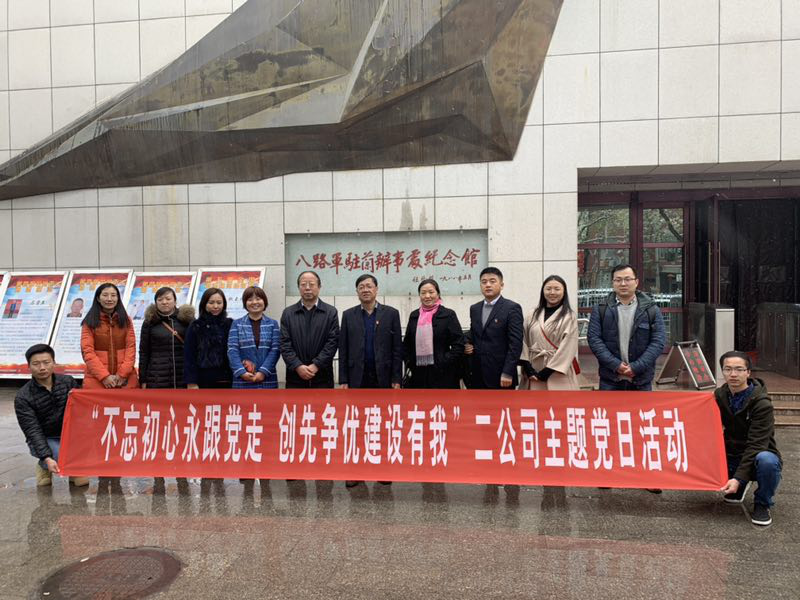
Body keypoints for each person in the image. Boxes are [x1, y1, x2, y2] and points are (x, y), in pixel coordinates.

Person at [716, 351, 782, 527]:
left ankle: (762, 503)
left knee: (767, 461)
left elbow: (756, 445)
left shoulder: (762, 404)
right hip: (731, 453)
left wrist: (738, 477)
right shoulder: (719, 396)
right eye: (727, 369)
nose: (733, 374)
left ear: (748, 372)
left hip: (757, 453)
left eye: (739, 369)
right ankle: (740, 485)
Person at [14, 344, 88, 487]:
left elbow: (84, 408)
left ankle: (73, 468)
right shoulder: (23, 397)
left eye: (46, 362)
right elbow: (32, 431)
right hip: (46, 437)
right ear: (29, 366)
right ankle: (44, 466)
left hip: (70, 435)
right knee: (58, 454)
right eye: (36, 364)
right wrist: (46, 457)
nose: (42, 368)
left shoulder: (68, 382)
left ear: (54, 363)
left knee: (82, 481)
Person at [587, 264, 665, 391]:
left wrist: (636, 367)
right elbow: (594, 340)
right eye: (618, 280)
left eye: (627, 279)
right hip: (610, 379)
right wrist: (616, 365)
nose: (623, 284)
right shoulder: (601, 309)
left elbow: (658, 342)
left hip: (641, 379)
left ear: (636, 282)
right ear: (613, 283)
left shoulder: (651, 309)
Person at [339, 274, 403, 390]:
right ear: (357, 291)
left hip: (384, 375)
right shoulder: (348, 315)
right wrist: (343, 379)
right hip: (356, 375)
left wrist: (397, 378)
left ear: (376, 289)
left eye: (369, 286)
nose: (365, 290)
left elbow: (397, 349)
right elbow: (343, 349)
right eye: (361, 287)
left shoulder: (391, 314)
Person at [464, 267, 523, 389]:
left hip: (502, 375)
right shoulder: (475, 308)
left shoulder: (512, 308)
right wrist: (466, 342)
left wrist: (508, 372)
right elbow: (474, 332)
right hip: (477, 373)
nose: (488, 285)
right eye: (484, 282)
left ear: (502, 285)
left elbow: (515, 343)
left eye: (492, 281)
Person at [519, 275, 580, 390]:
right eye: (548, 289)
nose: (552, 292)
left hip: (557, 370)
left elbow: (569, 346)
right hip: (533, 367)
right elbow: (523, 340)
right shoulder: (532, 314)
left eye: (557, 289)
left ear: (564, 292)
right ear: (543, 291)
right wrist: (527, 367)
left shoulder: (569, 316)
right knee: (534, 400)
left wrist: (547, 371)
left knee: (558, 400)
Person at [280, 271, 339, 389]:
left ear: (319, 287)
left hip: (322, 376)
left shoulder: (330, 312)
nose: (307, 288)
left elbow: (332, 342)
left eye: (311, 284)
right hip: (295, 376)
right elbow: (284, 343)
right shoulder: (288, 313)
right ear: (298, 287)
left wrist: (316, 365)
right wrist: (297, 366)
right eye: (303, 284)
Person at [403, 278, 465, 389]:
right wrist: (410, 361)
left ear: (438, 294)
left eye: (431, 292)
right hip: (419, 374)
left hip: (444, 374)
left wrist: (444, 361)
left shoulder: (448, 314)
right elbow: (407, 343)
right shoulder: (414, 316)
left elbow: (458, 344)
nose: (427, 296)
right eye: (423, 293)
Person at [80, 282, 138, 389]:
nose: (109, 299)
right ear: (98, 298)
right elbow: (87, 352)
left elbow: (131, 348)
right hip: (97, 380)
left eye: (113, 295)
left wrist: (122, 374)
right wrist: (104, 376)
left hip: (125, 379)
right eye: (105, 295)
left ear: (118, 298)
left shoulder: (126, 320)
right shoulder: (89, 322)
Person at [139, 287, 194, 389]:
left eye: (168, 299)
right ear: (156, 302)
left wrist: (194, 379)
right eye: (160, 300)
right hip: (156, 378)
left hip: (183, 376)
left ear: (175, 301)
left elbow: (195, 350)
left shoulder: (186, 320)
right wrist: (143, 379)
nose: (164, 302)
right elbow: (144, 352)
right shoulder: (149, 322)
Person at [227, 286, 280, 388]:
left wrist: (263, 372)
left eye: (258, 299)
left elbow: (275, 350)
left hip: (267, 379)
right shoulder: (236, 324)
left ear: (264, 301)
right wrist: (241, 372)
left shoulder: (273, 324)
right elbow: (232, 350)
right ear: (245, 303)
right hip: (242, 380)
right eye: (250, 299)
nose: (254, 302)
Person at [184, 287, 234, 389]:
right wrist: (191, 382)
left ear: (224, 304)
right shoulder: (196, 325)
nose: (215, 306)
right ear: (204, 304)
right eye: (211, 303)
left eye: (219, 303)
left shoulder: (230, 324)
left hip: (227, 378)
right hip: (203, 380)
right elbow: (189, 355)